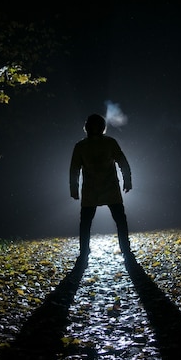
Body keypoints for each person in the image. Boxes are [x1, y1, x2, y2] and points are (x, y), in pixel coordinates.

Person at [70, 113, 132, 265]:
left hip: (91, 190)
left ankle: (84, 251)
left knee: (86, 222)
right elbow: (122, 162)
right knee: (119, 219)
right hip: (110, 188)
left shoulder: (81, 146)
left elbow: (74, 169)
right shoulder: (110, 143)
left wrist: (74, 189)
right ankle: (125, 248)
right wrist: (127, 181)